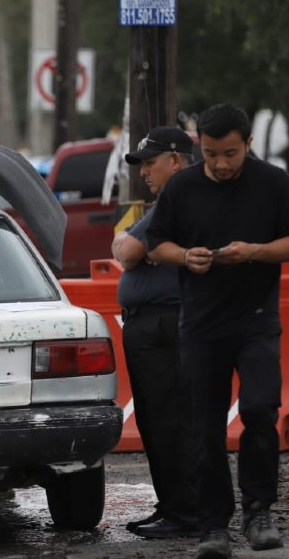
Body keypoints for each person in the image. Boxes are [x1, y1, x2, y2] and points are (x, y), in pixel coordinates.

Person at [145, 104, 289, 559]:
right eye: (212, 153)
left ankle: (259, 511)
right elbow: (156, 244)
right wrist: (186, 257)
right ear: (199, 145)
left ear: (249, 145)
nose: (220, 164)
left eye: (231, 153)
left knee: (260, 410)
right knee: (205, 427)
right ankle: (213, 525)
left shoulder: (275, 183)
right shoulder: (181, 187)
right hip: (200, 325)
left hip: (257, 320)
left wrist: (255, 251)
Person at [112, 126, 199, 539]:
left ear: (176, 160)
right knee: (159, 419)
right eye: (141, 164)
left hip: (170, 321)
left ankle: (185, 513)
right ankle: (175, 508)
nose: (144, 171)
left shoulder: (180, 198)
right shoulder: (166, 202)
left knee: (171, 420)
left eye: (151, 162)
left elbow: (127, 252)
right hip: (156, 321)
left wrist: (126, 240)